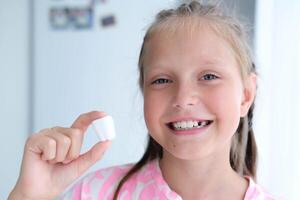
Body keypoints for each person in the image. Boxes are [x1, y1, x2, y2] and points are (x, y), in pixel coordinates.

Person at [9, 1, 276, 200]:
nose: (183, 98)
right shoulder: (95, 193)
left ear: (246, 94)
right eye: (161, 80)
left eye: (208, 76)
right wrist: (29, 195)